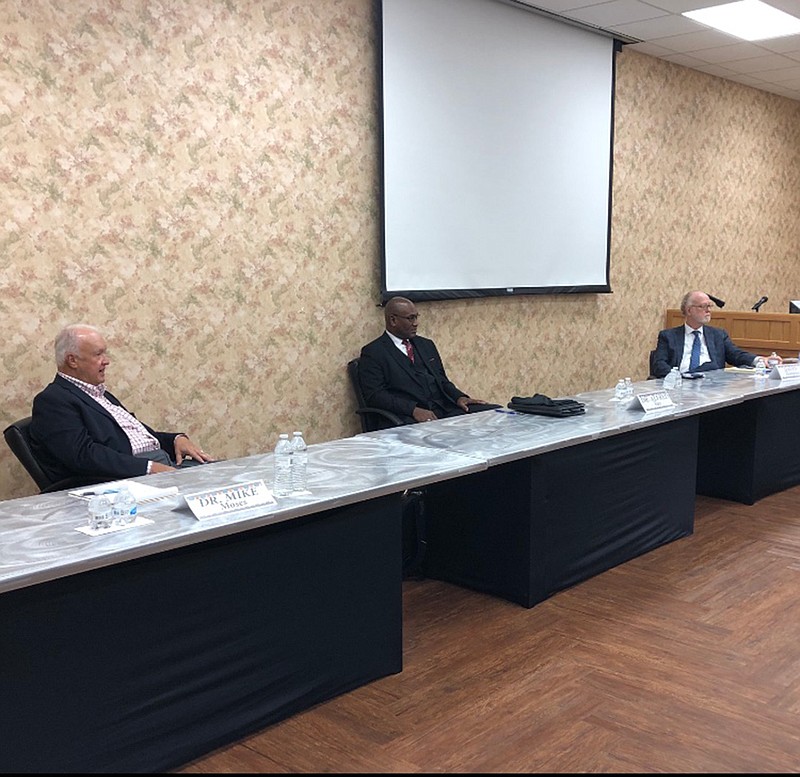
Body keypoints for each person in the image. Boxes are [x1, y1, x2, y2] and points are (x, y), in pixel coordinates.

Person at [30, 324, 214, 484]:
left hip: (159, 465)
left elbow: (134, 437)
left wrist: (177, 439)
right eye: (98, 354)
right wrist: (148, 468)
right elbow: (83, 456)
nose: (107, 361)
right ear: (72, 360)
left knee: (228, 475)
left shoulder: (101, 395)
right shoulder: (53, 401)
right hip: (131, 479)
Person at [358, 296, 498, 425]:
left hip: (444, 409)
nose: (416, 323)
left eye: (416, 317)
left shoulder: (426, 345)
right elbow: (376, 396)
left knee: (495, 414)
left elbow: (442, 380)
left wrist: (459, 397)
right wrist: (413, 410)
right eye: (410, 318)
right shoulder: (374, 352)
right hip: (408, 417)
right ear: (393, 320)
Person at [651, 291, 777, 378]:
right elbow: (659, 365)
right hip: (681, 386)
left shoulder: (718, 335)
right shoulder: (668, 336)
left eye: (710, 306)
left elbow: (736, 355)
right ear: (689, 310)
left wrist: (760, 360)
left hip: (711, 388)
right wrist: (679, 378)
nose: (709, 310)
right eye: (703, 306)